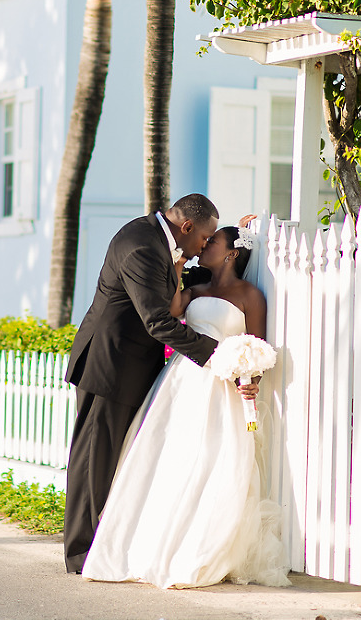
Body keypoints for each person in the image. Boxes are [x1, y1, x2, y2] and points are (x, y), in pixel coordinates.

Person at [80, 224, 291, 589]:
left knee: (210, 460)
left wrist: (249, 378)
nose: (204, 246)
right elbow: (172, 308)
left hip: (220, 387)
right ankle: (151, 544)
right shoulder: (195, 287)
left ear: (231, 254)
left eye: (213, 243)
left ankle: (195, 545)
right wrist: (178, 265)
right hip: (181, 380)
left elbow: (255, 344)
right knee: (168, 457)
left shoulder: (250, 296)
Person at [63, 194, 230, 574]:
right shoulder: (141, 244)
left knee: (117, 462)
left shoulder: (157, 241)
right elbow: (158, 322)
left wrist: (241, 241)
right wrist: (218, 354)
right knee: (94, 463)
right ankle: (80, 555)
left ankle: (103, 545)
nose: (204, 246)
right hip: (109, 366)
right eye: (204, 239)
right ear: (186, 227)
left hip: (131, 367)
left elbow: (181, 278)